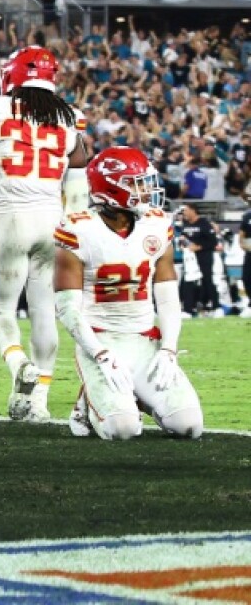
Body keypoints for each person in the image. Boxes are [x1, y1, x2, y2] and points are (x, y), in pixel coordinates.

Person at [0, 46, 90, 423]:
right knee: (45, 312)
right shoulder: (70, 118)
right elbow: (79, 190)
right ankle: (40, 403)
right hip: (54, 218)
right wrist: (73, 233)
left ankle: (19, 364)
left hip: (10, 217)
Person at [54, 146, 203, 441]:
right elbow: (67, 307)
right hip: (101, 339)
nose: (147, 190)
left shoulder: (156, 224)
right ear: (111, 189)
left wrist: (169, 347)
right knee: (121, 430)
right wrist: (98, 353)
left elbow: (167, 295)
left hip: (144, 338)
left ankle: (134, 397)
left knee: (189, 426)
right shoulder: (78, 230)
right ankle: (85, 404)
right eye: (136, 183)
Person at [177, 204, 220, 317]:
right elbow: (183, 238)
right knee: (187, 282)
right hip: (190, 258)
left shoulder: (204, 223)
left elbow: (213, 242)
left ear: (193, 210)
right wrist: (183, 245)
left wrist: (199, 247)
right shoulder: (185, 224)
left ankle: (215, 307)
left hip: (204, 256)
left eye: (186, 210)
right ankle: (188, 309)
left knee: (207, 280)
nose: (184, 213)